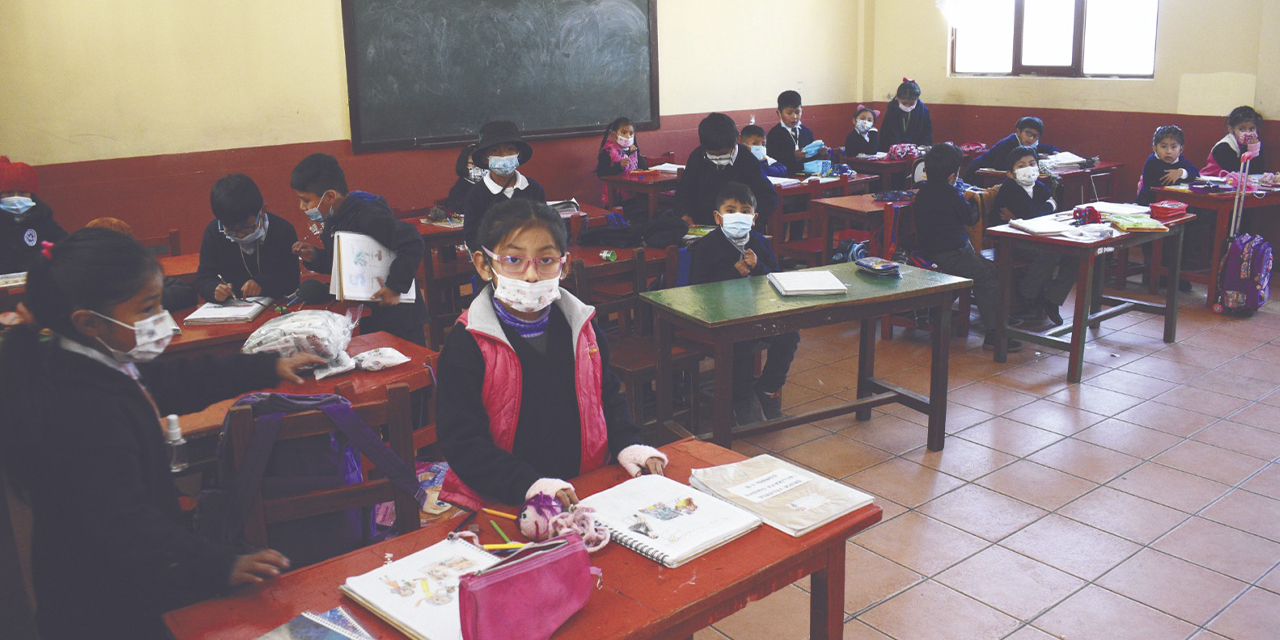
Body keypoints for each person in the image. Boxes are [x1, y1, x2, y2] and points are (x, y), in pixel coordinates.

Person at [0, 228, 323, 640]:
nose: (160, 321)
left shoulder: (95, 359)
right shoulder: (82, 407)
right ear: (88, 322)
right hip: (103, 606)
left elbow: (173, 379)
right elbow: (123, 525)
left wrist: (267, 367)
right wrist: (217, 563)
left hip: (119, 576)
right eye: (147, 308)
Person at [436, 199, 666, 511]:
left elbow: (606, 396)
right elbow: (462, 442)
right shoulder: (469, 344)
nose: (531, 275)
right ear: (482, 264)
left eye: (545, 260)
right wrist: (528, 485)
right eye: (514, 260)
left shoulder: (582, 329)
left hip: (581, 489)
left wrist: (628, 444)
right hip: (502, 501)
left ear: (565, 264)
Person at [689, 182, 800, 424]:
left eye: (745, 211)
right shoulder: (706, 247)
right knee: (738, 340)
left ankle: (768, 388)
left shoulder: (760, 243)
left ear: (754, 218)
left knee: (790, 332)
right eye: (730, 211)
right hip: (719, 316)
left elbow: (776, 278)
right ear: (718, 217)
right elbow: (697, 290)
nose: (737, 216)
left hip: (757, 311)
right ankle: (741, 398)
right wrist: (733, 272)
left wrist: (758, 266)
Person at [289, 153, 428, 346]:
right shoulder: (333, 219)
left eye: (306, 200)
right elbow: (341, 263)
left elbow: (412, 241)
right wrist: (315, 257)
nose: (302, 207)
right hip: (368, 313)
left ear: (329, 196)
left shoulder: (368, 215)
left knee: (409, 365)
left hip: (399, 316)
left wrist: (395, 286)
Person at [912, 144, 1023, 351]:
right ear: (953, 175)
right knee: (988, 278)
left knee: (989, 270)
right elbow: (970, 217)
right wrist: (971, 201)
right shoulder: (952, 193)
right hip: (951, 254)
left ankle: (1000, 318)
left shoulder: (923, 192)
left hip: (933, 250)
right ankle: (995, 335)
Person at [993, 146, 1075, 325]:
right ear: (1011, 173)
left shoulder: (1040, 186)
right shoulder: (1010, 188)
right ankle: (1026, 295)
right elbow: (1032, 214)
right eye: (1021, 166)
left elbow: (1040, 216)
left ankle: (1052, 299)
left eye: (1032, 164)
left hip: (1035, 238)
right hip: (1011, 242)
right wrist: (1048, 206)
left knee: (1074, 254)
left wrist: (1025, 216)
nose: (1028, 169)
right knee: (1049, 253)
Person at [195, 173, 300, 304]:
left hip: (276, 305)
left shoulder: (282, 230)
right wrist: (214, 290)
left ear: (262, 210)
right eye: (231, 230)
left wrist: (262, 283)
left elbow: (291, 279)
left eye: (246, 228)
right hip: (233, 310)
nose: (239, 235)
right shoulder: (214, 232)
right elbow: (203, 279)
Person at [674, 113, 778, 229]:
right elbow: (684, 192)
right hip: (702, 226)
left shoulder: (747, 160)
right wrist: (684, 214)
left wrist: (748, 219)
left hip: (740, 228)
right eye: (712, 154)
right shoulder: (698, 157)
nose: (718, 158)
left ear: (737, 140)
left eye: (723, 154)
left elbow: (768, 197)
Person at [463, 120, 546, 252]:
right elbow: (471, 236)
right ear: (485, 158)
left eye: (509, 149)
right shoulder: (477, 194)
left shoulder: (533, 189)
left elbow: (545, 227)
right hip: (494, 261)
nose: (503, 155)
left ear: (519, 154)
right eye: (495, 151)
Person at [0, 156, 67, 274]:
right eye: (9, 193)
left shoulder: (43, 217)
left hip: (36, 281)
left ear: (31, 195)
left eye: (22, 193)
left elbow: (62, 243)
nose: (15, 197)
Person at [964, 116, 1060, 183]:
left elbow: (1048, 148)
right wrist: (1036, 157)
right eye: (1028, 133)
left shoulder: (1026, 143)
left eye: (1035, 136)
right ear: (1018, 132)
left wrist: (1054, 152)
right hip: (978, 176)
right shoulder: (1008, 144)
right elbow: (1000, 166)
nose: (1031, 138)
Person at [595, 117, 651, 218]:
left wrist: (641, 173)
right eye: (623, 132)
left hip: (634, 195)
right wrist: (619, 166)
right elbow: (601, 173)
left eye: (631, 133)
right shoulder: (608, 151)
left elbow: (644, 168)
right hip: (615, 199)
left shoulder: (633, 150)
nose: (628, 136)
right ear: (614, 134)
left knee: (648, 206)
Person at [1138, 125, 1199, 205]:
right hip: (1148, 204)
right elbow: (1162, 181)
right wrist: (1182, 178)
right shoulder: (1151, 162)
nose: (1168, 151)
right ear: (1155, 148)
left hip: (1173, 204)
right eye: (1163, 146)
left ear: (1181, 149)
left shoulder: (1180, 160)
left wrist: (1180, 172)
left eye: (1174, 147)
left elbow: (1195, 173)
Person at [1203, 106, 1270, 177]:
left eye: (1252, 129)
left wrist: (1254, 151)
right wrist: (1251, 152)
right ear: (1231, 129)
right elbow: (1237, 172)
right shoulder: (1223, 147)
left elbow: (1257, 171)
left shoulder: (1253, 145)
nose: (1248, 133)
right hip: (1211, 181)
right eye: (1241, 129)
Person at [766, 90, 821, 174]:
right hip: (785, 176)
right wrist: (793, 156)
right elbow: (772, 159)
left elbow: (811, 157)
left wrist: (819, 152)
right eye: (789, 113)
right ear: (779, 113)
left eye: (797, 112)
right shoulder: (774, 134)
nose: (794, 116)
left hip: (807, 174)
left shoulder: (806, 132)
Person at [879, 78, 934, 150]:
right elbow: (886, 133)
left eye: (911, 104)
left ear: (917, 99)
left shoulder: (923, 111)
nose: (907, 106)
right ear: (897, 97)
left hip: (916, 149)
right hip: (894, 149)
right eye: (904, 103)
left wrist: (923, 145)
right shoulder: (891, 110)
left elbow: (927, 132)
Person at [445, 143, 484, 215]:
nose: (476, 167)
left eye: (479, 163)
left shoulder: (489, 184)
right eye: (471, 164)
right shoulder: (458, 190)